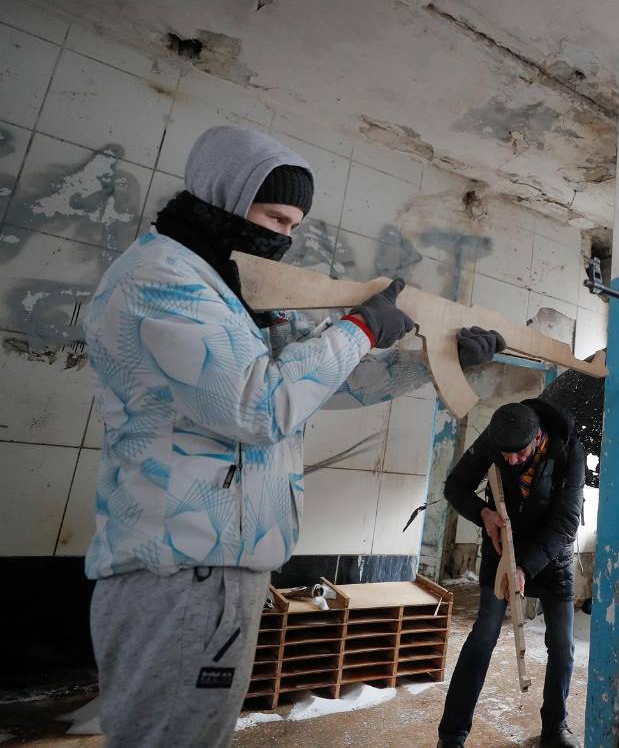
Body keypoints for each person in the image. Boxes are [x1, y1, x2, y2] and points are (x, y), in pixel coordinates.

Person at [83, 125, 505, 747]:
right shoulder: (162, 280)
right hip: (181, 565)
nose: (283, 237)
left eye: (292, 226)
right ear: (224, 195)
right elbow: (257, 405)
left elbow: (329, 382)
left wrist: (434, 362)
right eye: (275, 217)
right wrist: (359, 327)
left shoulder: (230, 287)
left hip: (218, 562)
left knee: (196, 734)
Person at [438, 400, 585, 748]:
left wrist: (526, 566)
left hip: (552, 556)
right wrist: (483, 514)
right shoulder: (495, 440)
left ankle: (555, 728)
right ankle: (452, 734)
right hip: (502, 547)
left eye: (519, 454)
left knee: (561, 645)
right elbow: (455, 486)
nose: (512, 461)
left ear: (537, 438)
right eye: (505, 455)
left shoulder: (568, 448)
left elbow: (567, 523)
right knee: (482, 637)